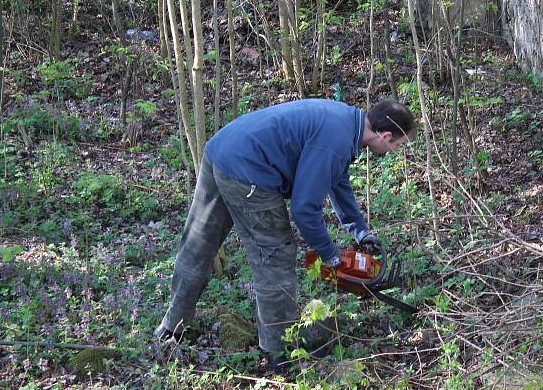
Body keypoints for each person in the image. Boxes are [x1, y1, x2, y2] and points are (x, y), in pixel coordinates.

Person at [153, 98, 416, 372]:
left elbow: (337, 180)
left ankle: (171, 328)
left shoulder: (346, 122)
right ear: (386, 136)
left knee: (199, 245)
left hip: (223, 150)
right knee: (275, 255)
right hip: (249, 173)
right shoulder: (336, 139)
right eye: (397, 144)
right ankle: (280, 355)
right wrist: (330, 255)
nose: (395, 150)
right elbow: (304, 208)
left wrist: (359, 230)